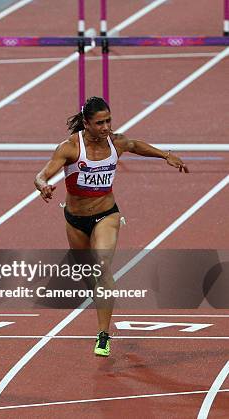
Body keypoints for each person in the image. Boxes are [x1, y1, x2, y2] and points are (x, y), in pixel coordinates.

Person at [34, 96, 188, 357]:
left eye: (108, 121)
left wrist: (165, 155)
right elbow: (42, 174)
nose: (106, 127)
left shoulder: (116, 142)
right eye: (100, 123)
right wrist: (42, 186)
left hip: (107, 214)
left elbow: (135, 145)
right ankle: (100, 297)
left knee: (102, 266)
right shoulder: (70, 147)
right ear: (87, 123)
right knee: (88, 274)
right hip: (74, 219)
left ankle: (103, 334)